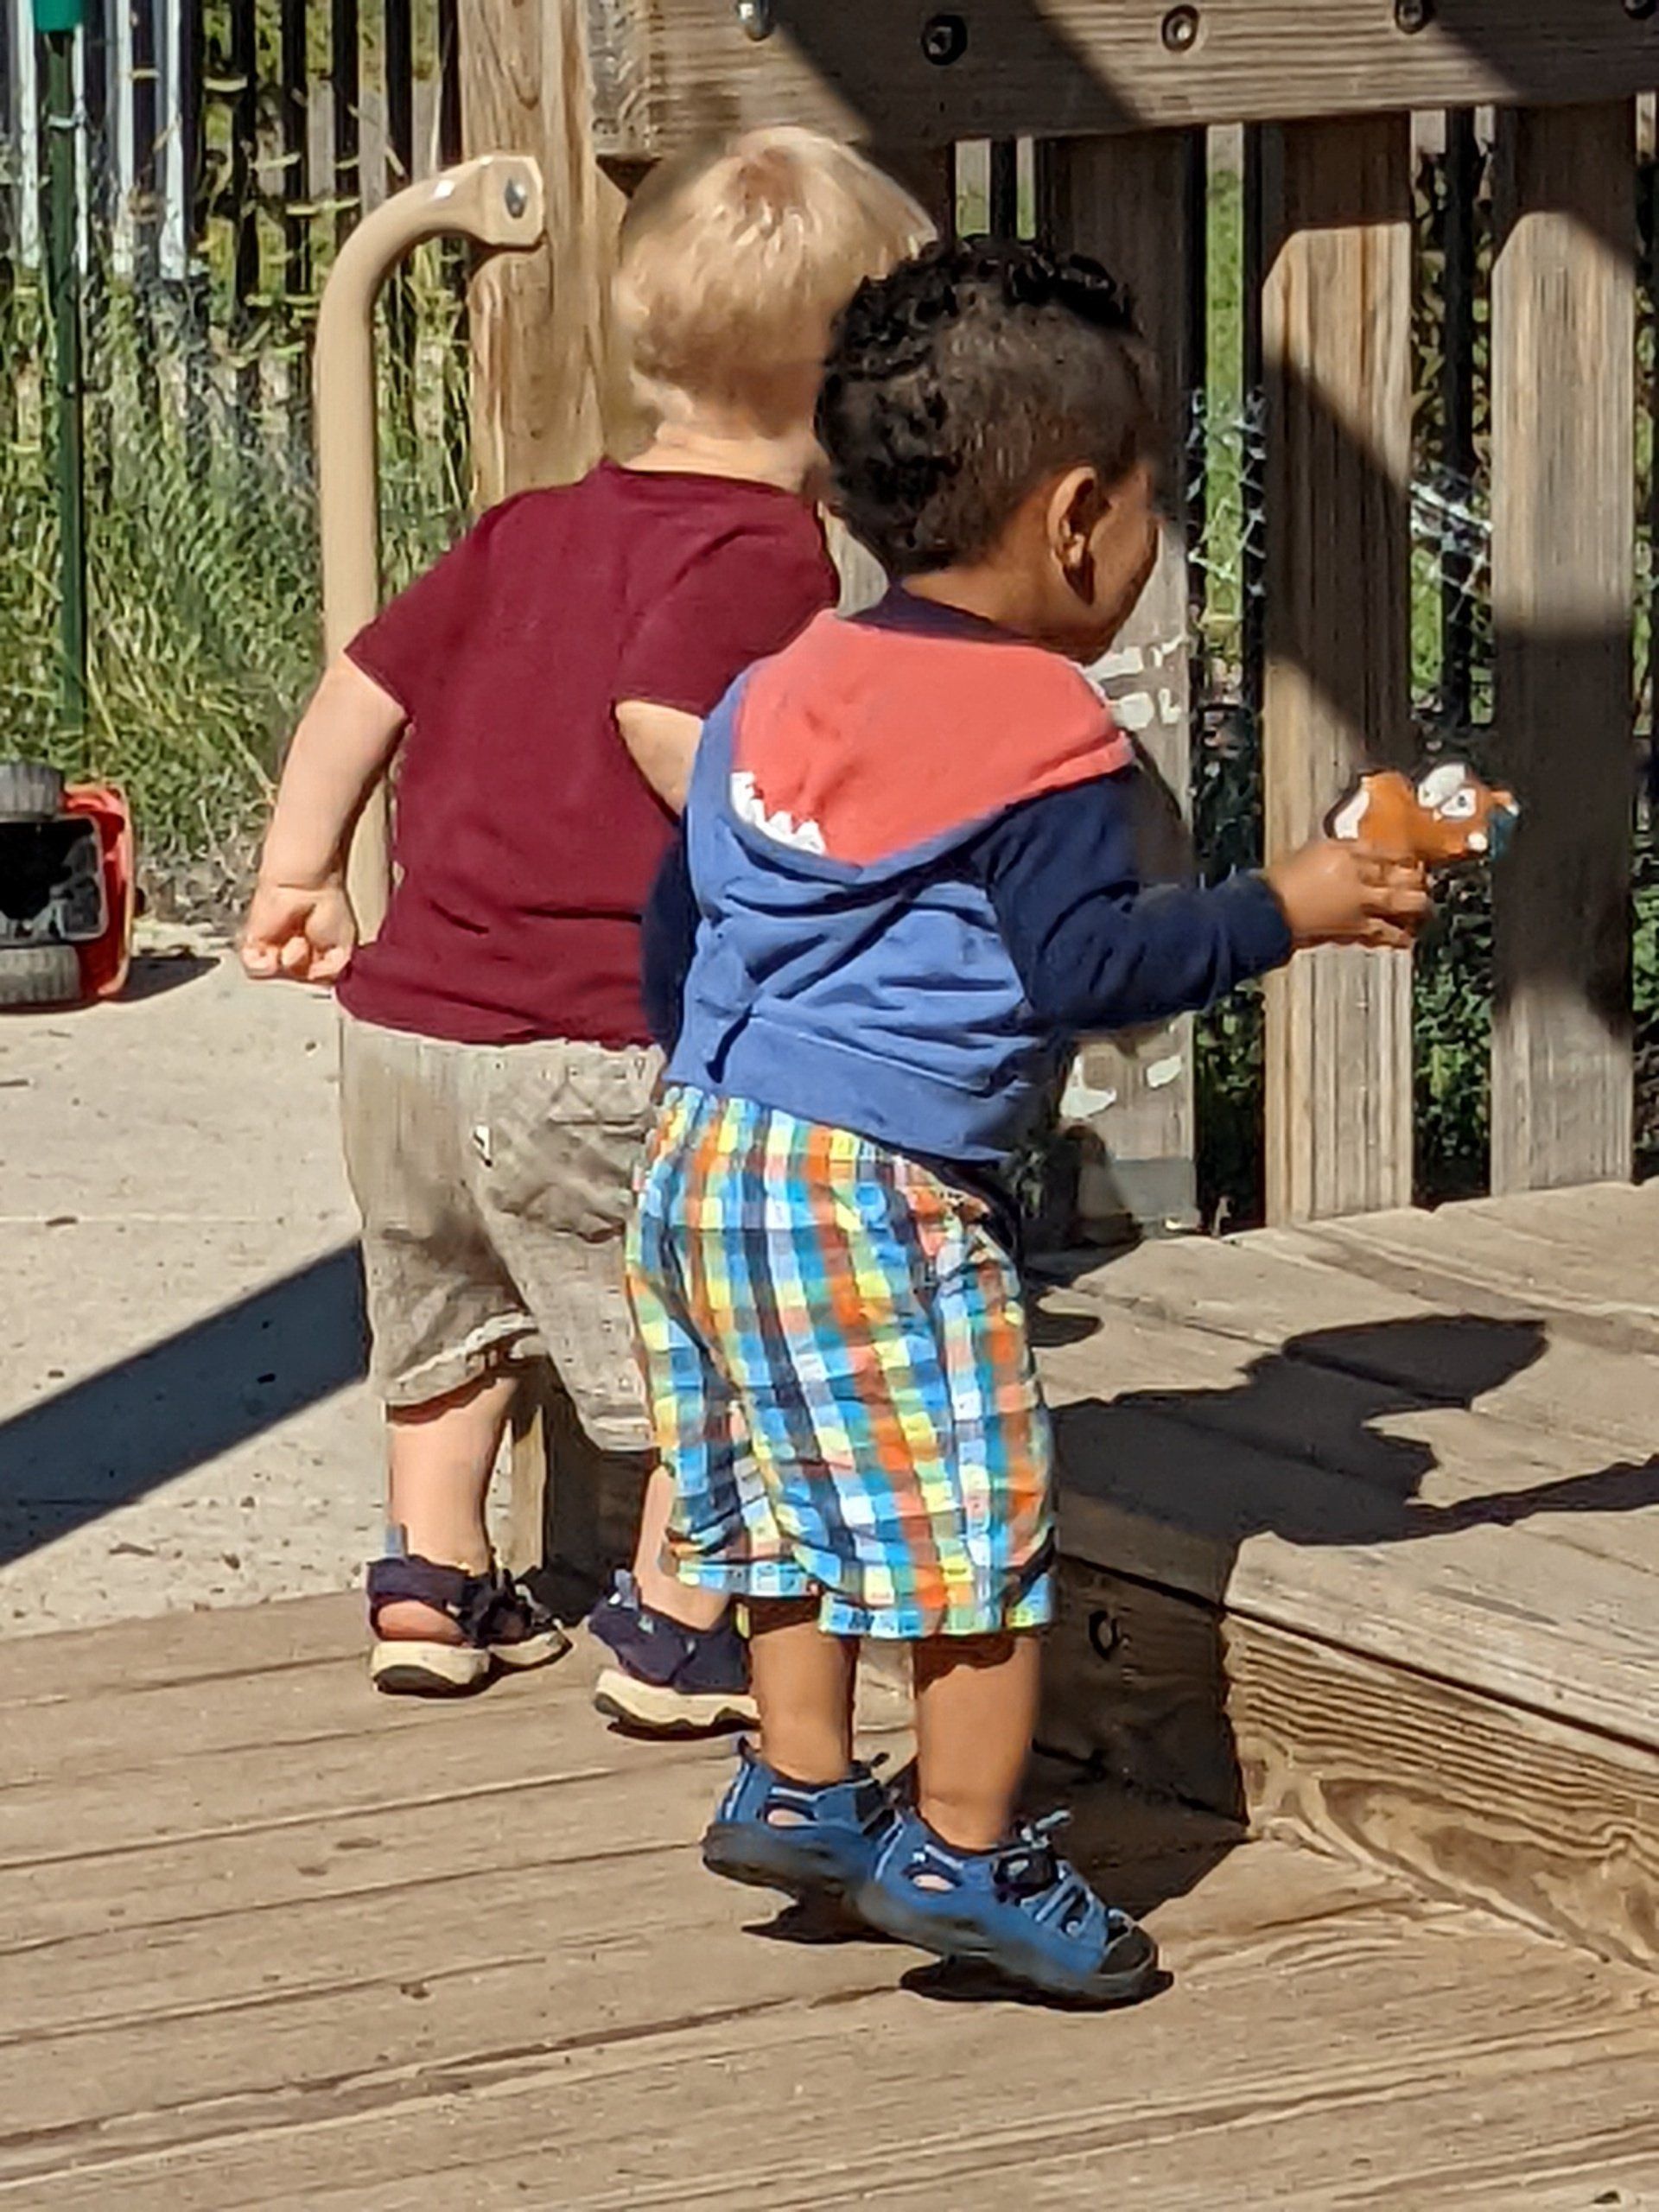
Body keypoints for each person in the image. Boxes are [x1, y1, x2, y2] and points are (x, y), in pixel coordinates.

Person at [627, 238, 1430, 2001]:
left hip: (702, 1154)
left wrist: (716, 1083)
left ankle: (805, 1783)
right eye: (1150, 509)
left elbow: (681, 915)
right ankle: (970, 1850)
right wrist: (1283, 905)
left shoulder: (783, 682)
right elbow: (1086, 970)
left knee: (782, 1496)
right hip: (874, 1181)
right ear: (1079, 518)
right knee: (972, 1528)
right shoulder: (1039, 725)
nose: (1148, 547)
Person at [240, 130, 930, 1707]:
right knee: (719, 1316)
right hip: (600, 1044)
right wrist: (814, 867)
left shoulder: (524, 526)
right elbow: (664, 713)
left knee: (445, 1314)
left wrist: (301, 871)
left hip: (406, 1037)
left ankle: (431, 1582)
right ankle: (680, 1621)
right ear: (850, 395)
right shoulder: (770, 552)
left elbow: (364, 682)